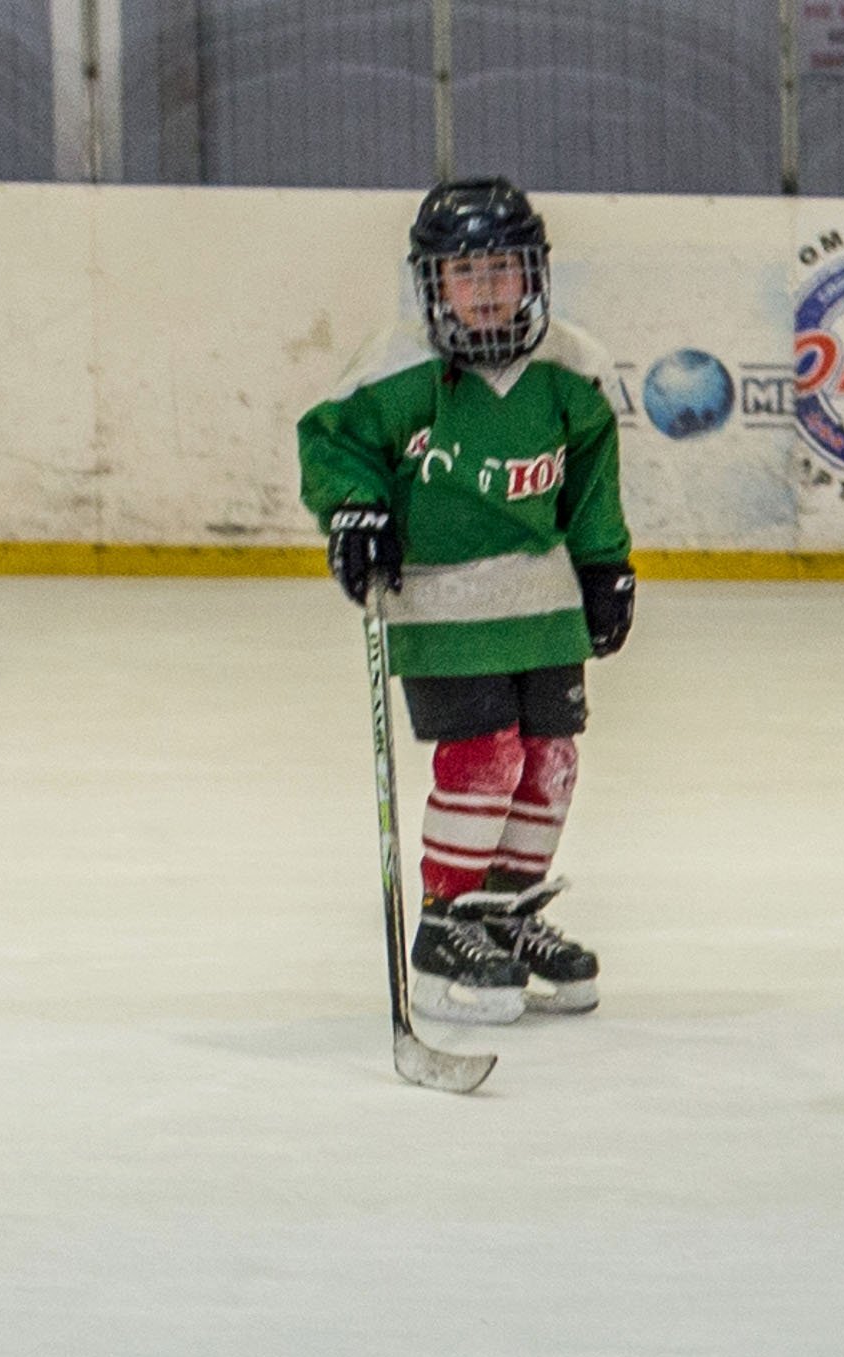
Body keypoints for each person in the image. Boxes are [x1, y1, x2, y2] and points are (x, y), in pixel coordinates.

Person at [296, 176, 632, 1025]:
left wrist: (605, 567)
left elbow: (593, 485)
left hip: (541, 594)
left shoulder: (572, 368)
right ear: (432, 283)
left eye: (503, 271)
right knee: (485, 757)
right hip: (440, 599)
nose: (486, 291)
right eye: (465, 274)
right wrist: (354, 509)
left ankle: (509, 913)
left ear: (535, 276)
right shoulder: (397, 369)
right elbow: (333, 442)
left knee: (551, 760)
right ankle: (449, 922)